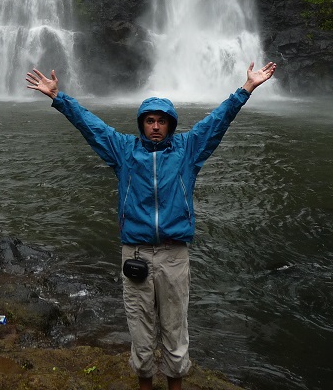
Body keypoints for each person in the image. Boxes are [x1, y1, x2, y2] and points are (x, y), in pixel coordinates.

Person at [26, 61, 277, 390]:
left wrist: (246, 89)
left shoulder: (188, 151)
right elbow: (91, 126)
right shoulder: (124, 152)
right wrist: (60, 98)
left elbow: (218, 120)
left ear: (170, 124)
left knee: (175, 332)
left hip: (174, 256)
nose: (155, 126)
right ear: (142, 124)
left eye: (161, 121)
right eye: (149, 120)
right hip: (137, 255)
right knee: (141, 334)